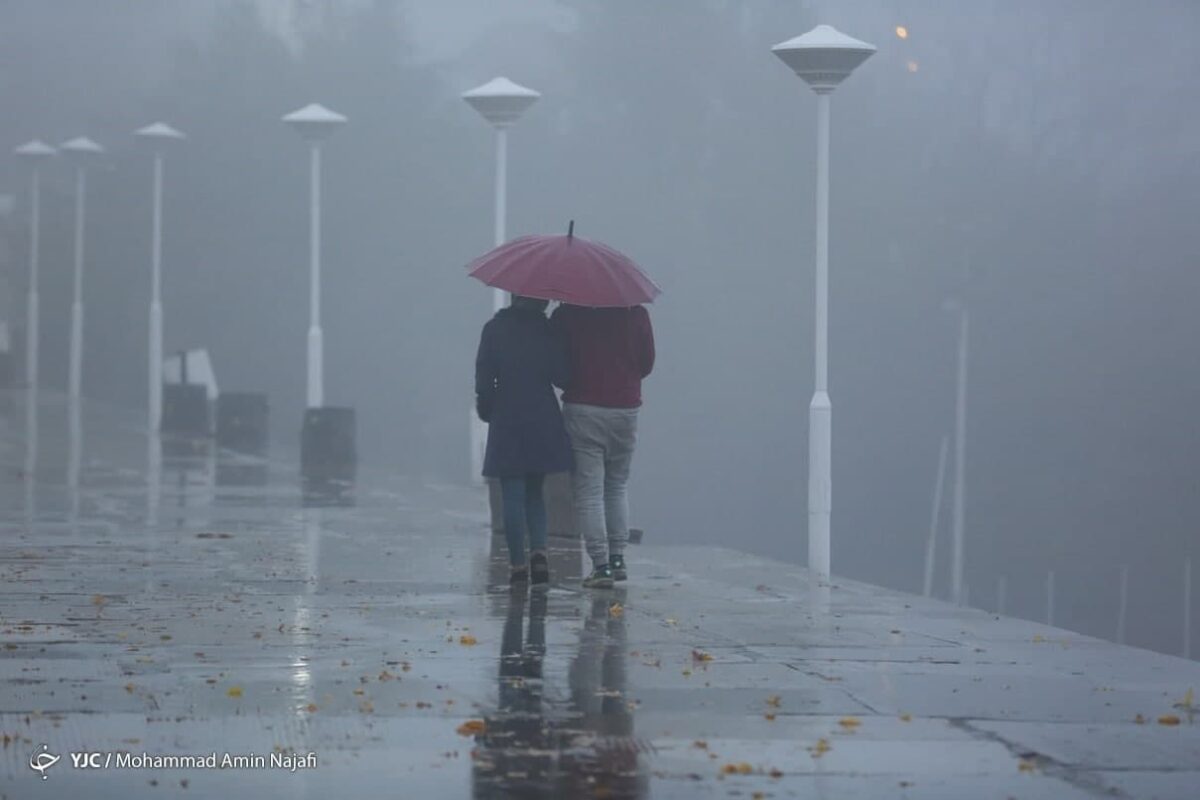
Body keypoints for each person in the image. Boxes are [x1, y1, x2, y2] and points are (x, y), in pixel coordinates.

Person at [550, 304, 655, 588]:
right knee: (617, 485)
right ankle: (618, 557)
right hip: (626, 409)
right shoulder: (636, 312)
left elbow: (557, 369)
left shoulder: (568, 314)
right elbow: (646, 363)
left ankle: (601, 565)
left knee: (589, 492)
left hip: (583, 408)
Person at [476, 295, 573, 585]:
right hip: (542, 414)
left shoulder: (494, 329)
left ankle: (518, 564)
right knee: (535, 492)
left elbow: (484, 377)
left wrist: (487, 407)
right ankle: (539, 554)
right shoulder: (548, 331)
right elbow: (562, 376)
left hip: (507, 415)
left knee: (512, 494)